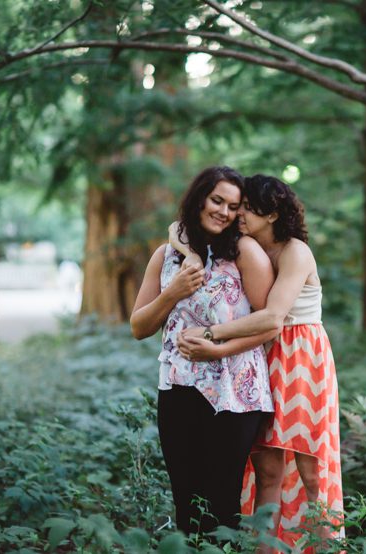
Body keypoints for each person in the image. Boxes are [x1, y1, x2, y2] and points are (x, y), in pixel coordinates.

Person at [173, 174, 343, 550]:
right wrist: (192, 254)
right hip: (262, 357)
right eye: (239, 206)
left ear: (274, 213)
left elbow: (272, 317)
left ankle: (325, 546)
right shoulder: (246, 247)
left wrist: (213, 334)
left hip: (301, 359)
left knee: (311, 470)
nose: (240, 214)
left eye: (249, 207)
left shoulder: (294, 250)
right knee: (267, 468)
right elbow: (177, 227)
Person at [130, 166, 277, 535]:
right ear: (199, 199)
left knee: (222, 500)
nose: (224, 212)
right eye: (217, 201)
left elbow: (269, 324)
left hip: (234, 394)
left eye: (233, 205)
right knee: (186, 499)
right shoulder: (166, 255)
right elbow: (139, 327)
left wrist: (218, 350)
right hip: (178, 389)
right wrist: (173, 292)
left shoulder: (245, 252)